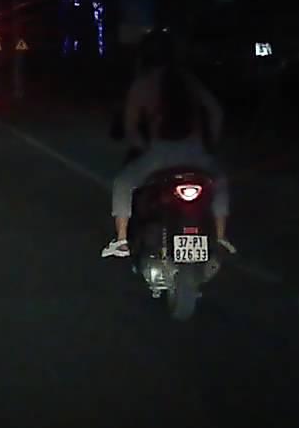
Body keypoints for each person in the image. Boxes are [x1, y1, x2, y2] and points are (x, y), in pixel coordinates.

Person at [101, 29, 236, 258]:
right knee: (219, 181)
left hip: (160, 154)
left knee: (123, 183)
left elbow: (131, 128)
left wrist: (142, 147)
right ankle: (221, 237)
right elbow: (216, 111)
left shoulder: (143, 84)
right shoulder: (188, 80)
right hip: (196, 152)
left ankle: (121, 240)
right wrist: (210, 142)